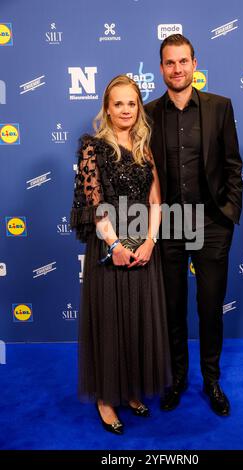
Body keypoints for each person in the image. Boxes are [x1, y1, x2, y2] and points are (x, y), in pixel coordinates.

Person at [145, 34, 243, 416]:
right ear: (161, 69)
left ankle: (212, 381)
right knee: (172, 307)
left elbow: (233, 164)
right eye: (170, 63)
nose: (177, 69)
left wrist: (230, 211)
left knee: (209, 307)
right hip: (169, 221)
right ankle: (177, 380)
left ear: (194, 63)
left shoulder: (220, 107)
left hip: (212, 221)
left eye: (183, 61)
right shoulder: (149, 113)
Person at [70, 75, 171, 435]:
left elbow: (156, 201)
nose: (125, 110)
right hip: (109, 247)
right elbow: (95, 207)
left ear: (138, 107)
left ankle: (129, 390)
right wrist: (114, 246)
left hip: (144, 246)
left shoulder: (145, 146)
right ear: (107, 108)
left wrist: (150, 241)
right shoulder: (92, 148)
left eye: (132, 103)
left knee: (137, 320)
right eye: (118, 103)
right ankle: (105, 399)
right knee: (111, 322)